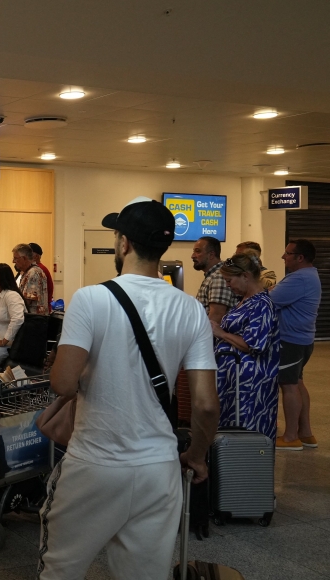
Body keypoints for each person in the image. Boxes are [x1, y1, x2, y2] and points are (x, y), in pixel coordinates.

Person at [39, 198, 219, 580]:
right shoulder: (191, 310)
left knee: (60, 570)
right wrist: (197, 456)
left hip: (94, 465)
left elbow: (62, 382)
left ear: (124, 243)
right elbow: (205, 404)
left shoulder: (90, 299)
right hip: (159, 470)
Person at [210, 253, 281, 442]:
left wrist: (221, 333)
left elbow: (254, 344)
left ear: (245, 276)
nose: (227, 285)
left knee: (247, 434)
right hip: (234, 382)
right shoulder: (243, 301)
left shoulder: (262, 305)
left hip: (250, 385)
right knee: (229, 432)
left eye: (229, 280)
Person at [270, 239, 321, 450]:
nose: (283, 256)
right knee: (297, 382)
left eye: (288, 253)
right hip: (303, 340)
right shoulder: (309, 275)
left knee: (288, 385)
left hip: (290, 341)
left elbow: (270, 300)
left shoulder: (299, 278)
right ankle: (306, 433)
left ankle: (291, 437)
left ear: (300, 258)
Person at [192, 236, 237, 326]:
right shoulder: (212, 275)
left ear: (211, 255)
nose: (192, 256)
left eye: (198, 251)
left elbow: (216, 316)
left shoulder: (219, 276)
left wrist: (198, 334)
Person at [12, 243, 49, 315]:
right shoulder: (28, 272)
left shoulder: (33, 273)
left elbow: (27, 300)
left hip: (33, 318)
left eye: (16, 258)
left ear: (24, 258)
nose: (13, 261)